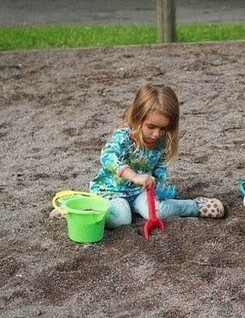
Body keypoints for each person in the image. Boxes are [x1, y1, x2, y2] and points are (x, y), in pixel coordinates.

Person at [87, 84, 224, 229]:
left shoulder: (161, 141)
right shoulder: (124, 137)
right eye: (151, 127)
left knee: (159, 211)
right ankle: (83, 210)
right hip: (112, 191)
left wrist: (158, 186)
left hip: (140, 191)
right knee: (121, 219)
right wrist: (134, 176)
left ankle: (195, 206)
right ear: (137, 118)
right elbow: (108, 156)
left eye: (163, 128)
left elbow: (160, 168)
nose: (156, 134)